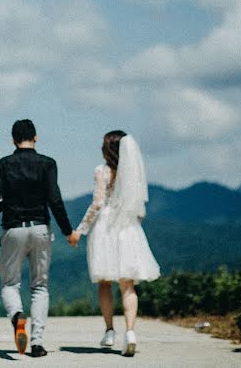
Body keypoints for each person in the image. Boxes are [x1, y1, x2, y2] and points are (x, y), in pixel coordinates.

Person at [68, 131, 160, 357]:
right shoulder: (132, 175)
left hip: (106, 227)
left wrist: (80, 230)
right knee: (128, 285)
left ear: (108, 148)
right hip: (127, 227)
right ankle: (130, 333)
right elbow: (139, 208)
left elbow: (97, 203)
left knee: (104, 282)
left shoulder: (102, 172)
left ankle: (109, 330)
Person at [0, 119, 73, 358]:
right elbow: (55, 200)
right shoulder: (48, 164)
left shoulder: (2, 165)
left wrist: (9, 204)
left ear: (13, 139)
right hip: (40, 228)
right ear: (35, 138)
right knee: (40, 286)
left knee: (10, 283)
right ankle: (36, 344)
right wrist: (68, 231)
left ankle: (16, 316)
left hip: (13, 229)